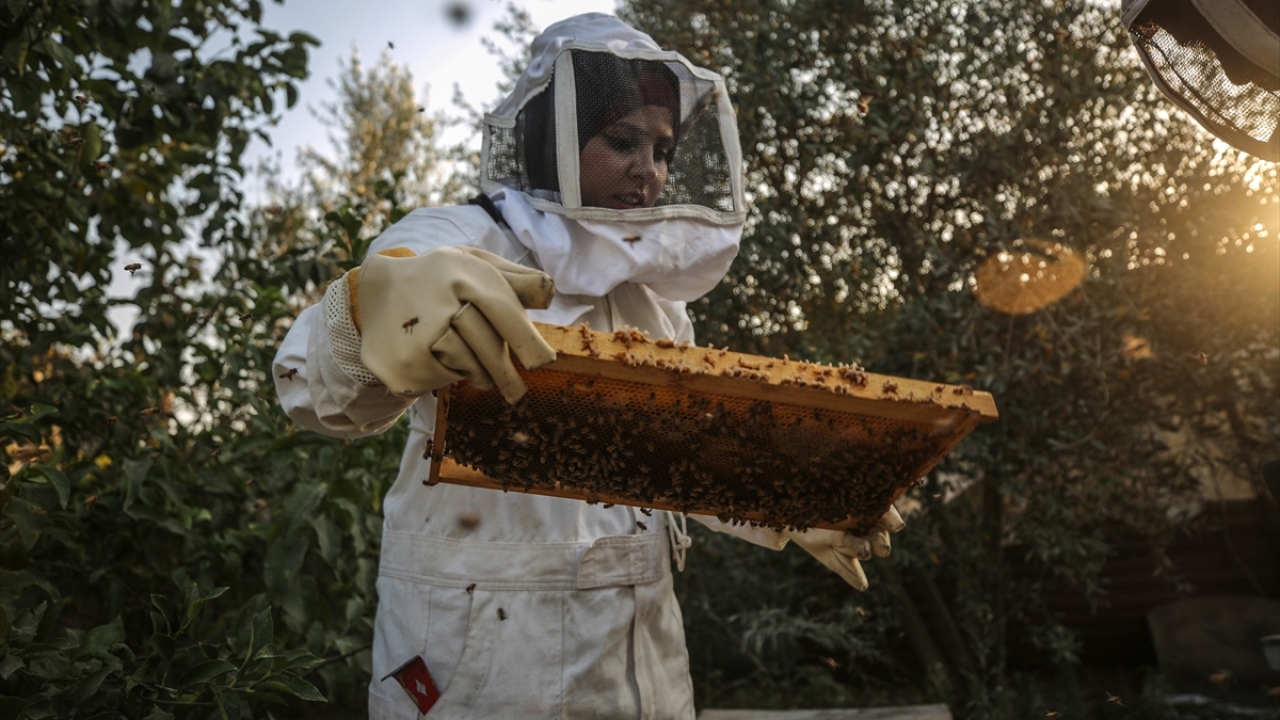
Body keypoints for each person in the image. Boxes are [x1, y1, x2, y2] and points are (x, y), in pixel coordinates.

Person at [273, 13, 904, 719]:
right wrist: (364, 313)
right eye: (622, 140)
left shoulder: (652, 299)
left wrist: (786, 499)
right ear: (555, 138)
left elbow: (672, 455)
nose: (650, 170)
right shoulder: (457, 237)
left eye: (663, 148)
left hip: (639, 666)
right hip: (470, 666)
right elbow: (308, 389)